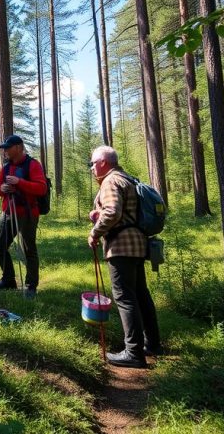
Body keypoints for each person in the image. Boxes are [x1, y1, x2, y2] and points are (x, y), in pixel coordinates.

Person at [87, 145, 161, 368]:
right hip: (138, 245)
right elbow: (123, 211)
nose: (91, 168)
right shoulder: (127, 179)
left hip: (121, 247)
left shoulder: (110, 181)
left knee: (125, 298)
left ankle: (133, 353)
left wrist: (95, 232)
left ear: (102, 162)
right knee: (141, 295)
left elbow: (113, 212)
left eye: (92, 163)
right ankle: (152, 344)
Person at [0, 135, 48, 298]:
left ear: (18, 147)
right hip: (8, 212)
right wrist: (4, 187)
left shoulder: (33, 164)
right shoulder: (6, 167)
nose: (5, 151)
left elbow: (41, 188)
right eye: (4, 148)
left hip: (28, 214)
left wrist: (19, 182)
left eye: (8, 148)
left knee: (29, 249)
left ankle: (31, 286)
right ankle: (8, 280)